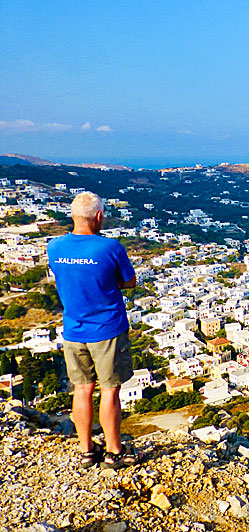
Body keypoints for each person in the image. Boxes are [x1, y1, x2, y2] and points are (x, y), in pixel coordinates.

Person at [47, 192, 142, 468]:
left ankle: (87, 450)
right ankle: (114, 451)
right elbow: (129, 282)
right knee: (110, 390)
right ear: (99, 217)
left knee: (82, 388)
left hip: (73, 329)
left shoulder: (55, 246)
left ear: (73, 216)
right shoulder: (110, 248)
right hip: (107, 329)